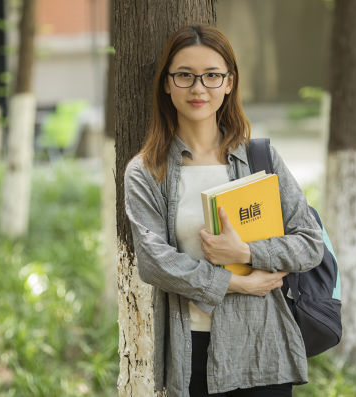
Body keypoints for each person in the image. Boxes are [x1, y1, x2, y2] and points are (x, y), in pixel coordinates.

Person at [123, 25, 324, 397]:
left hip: (263, 350)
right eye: (184, 75)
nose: (199, 88)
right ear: (167, 84)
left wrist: (246, 253)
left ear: (229, 83)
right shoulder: (147, 171)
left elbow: (310, 243)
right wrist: (238, 282)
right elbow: (154, 262)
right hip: (193, 351)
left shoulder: (260, 158)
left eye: (212, 76)